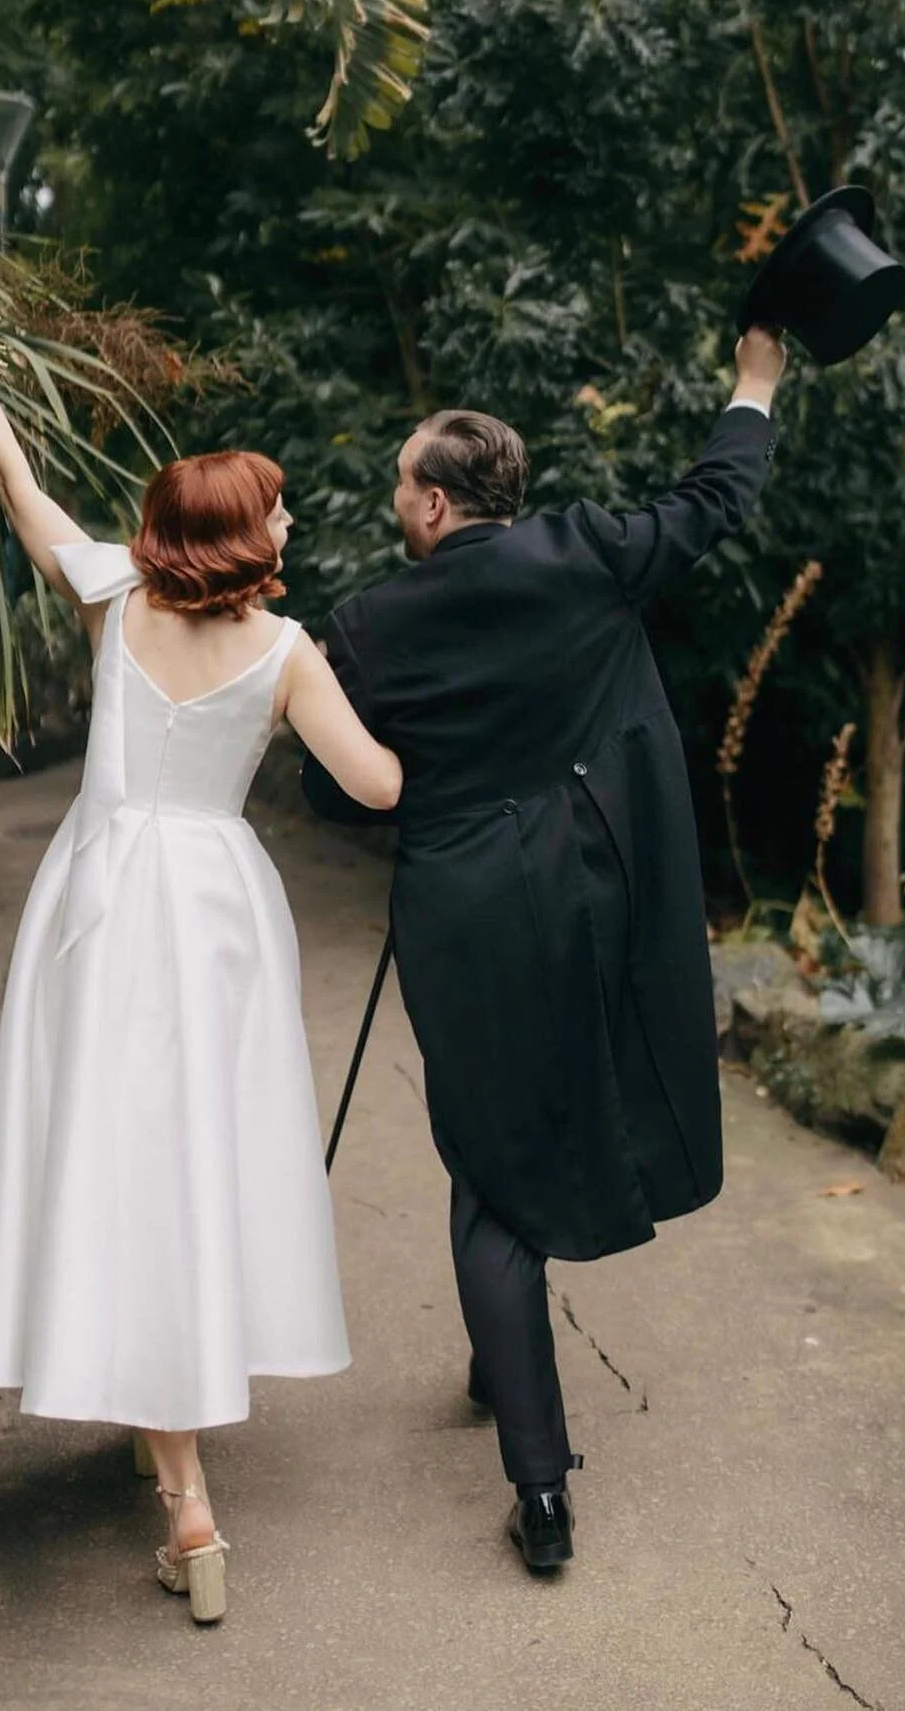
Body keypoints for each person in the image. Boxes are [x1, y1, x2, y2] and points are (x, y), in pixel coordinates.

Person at [301, 327, 787, 1571]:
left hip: (465, 909)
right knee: (545, 1119)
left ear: (436, 501)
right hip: (596, 886)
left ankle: (543, 1489)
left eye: (404, 483)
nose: (397, 501)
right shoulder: (588, 556)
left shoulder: (365, 624)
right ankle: (496, 1365)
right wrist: (757, 382)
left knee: (490, 1169)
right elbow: (715, 498)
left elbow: (333, 795)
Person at [0, 358, 403, 1624]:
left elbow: (18, 483)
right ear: (242, 532)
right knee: (195, 1157)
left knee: (110, 1149)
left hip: (98, 892)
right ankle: (188, 1489)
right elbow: (377, 786)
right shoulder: (289, 652)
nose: (292, 520)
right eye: (280, 507)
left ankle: (159, 1428)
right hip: (213, 912)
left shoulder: (115, 598)